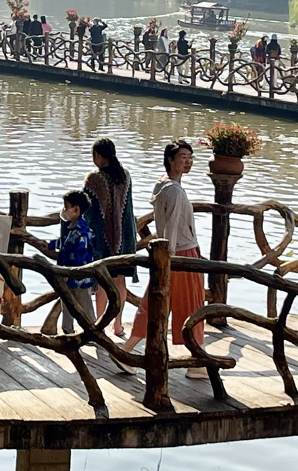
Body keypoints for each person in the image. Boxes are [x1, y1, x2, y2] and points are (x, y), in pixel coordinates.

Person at [136, 139, 214, 369]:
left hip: (170, 252)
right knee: (192, 304)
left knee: (154, 301)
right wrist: (169, 256)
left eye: (190, 157)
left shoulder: (163, 185)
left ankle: (128, 348)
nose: (188, 161)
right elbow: (170, 227)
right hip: (181, 251)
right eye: (183, 157)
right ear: (170, 160)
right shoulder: (174, 191)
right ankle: (197, 363)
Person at [85, 137, 138, 315]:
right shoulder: (126, 176)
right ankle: (118, 324)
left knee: (101, 281)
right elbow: (127, 209)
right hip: (125, 238)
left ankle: (101, 323)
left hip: (102, 240)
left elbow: (89, 213)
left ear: (98, 155)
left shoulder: (94, 179)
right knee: (120, 281)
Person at [51, 189, 106, 330]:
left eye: (66, 207)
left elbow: (78, 258)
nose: (63, 210)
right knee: (68, 304)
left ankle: (94, 331)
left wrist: (67, 274)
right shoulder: (74, 229)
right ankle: (67, 330)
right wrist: (50, 244)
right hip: (70, 277)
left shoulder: (81, 233)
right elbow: (64, 244)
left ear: (75, 210)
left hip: (79, 279)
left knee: (85, 305)